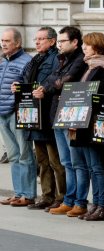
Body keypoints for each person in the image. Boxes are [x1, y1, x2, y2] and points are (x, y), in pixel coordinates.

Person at [15, 26, 66, 210]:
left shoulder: (56, 58)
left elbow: (53, 81)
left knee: (56, 161)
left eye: (41, 39)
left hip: (48, 114)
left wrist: (43, 89)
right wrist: (18, 86)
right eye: (36, 39)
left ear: (52, 41)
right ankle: (46, 195)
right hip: (33, 114)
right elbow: (24, 79)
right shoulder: (35, 59)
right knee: (42, 160)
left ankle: (61, 197)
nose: (36, 42)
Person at [70, 32, 104, 221]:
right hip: (84, 122)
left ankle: (102, 206)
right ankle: (95, 204)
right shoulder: (90, 66)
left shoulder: (102, 68)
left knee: (97, 167)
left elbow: (100, 96)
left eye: (87, 45)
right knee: (91, 166)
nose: (84, 48)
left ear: (96, 47)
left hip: (95, 123)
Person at [41, 26, 89, 215]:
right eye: (58, 41)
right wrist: (44, 88)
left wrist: (47, 88)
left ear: (75, 42)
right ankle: (69, 199)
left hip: (72, 115)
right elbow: (51, 78)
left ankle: (80, 201)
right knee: (66, 161)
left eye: (62, 41)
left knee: (77, 162)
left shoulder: (80, 60)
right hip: (57, 114)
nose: (59, 44)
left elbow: (64, 81)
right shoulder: (62, 58)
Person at [0, 28, 36, 207]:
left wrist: (21, 86)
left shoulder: (27, 61)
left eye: (7, 41)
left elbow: (31, 86)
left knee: (24, 154)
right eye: (2, 40)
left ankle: (28, 194)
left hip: (18, 112)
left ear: (18, 43)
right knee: (13, 155)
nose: (3, 44)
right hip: (2, 113)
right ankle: (18, 193)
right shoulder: (2, 61)